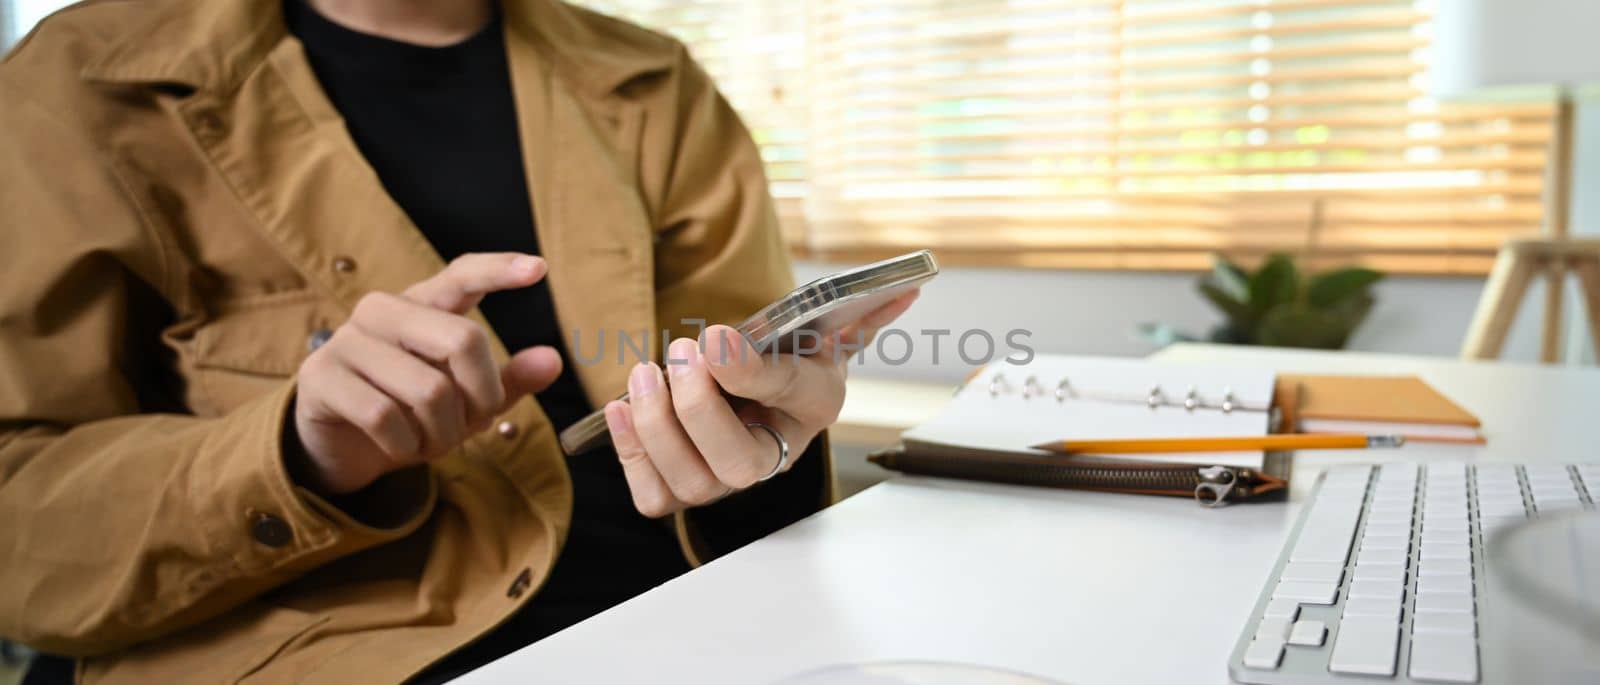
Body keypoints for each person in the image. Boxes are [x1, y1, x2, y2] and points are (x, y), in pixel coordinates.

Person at [0, 0, 917, 682]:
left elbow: (753, 434)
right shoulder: (81, 85)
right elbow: (20, 520)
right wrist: (293, 455)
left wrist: (770, 441)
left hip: (683, 628)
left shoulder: (655, 83)